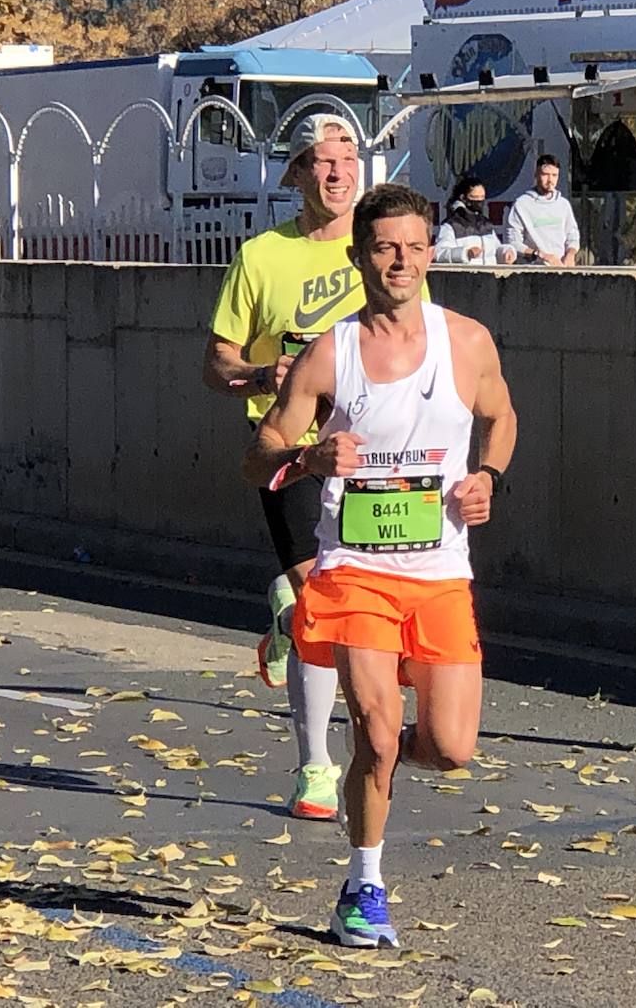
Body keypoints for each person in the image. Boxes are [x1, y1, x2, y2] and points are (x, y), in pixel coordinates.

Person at [241, 183, 517, 949]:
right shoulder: (331, 353)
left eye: (416, 247)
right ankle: (364, 885)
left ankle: (382, 759)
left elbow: (501, 416)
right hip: (354, 569)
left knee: (453, 748)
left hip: (440, 573)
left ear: (432, 252)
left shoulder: (466, 341)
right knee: (379, 730)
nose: (402, 261)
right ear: (361, 255)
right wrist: (308, 456)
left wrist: (488, 477)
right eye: (387, 247)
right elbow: (258, 452)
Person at [204, 113, 427, 823]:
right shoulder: (262, 257)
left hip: (375, 448)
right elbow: (216, 360)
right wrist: (260, 373)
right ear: (296, 174)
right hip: (293, 450)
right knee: (318, 606)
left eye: (347, 161)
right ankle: (316, 764)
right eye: (321, 164)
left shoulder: (380, 246)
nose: (337, 175)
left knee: (354, 610)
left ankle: (288, 613)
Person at [505, 154, 579, 266]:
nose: (550, 180)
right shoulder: (521, 204)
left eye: (554, 175)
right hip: (532, 271)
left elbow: (572, 235)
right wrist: (539, 254)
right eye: (545, 175)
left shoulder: (563, 204)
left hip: (560, 269)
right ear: (536, 174)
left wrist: (570, 254)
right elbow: (513, 242)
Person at [434, 175, 517, 265]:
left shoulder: (486, 224)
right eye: (475, 197)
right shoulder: (451, 225)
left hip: (490, 276)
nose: (479, 202)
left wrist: (506, 252)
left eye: (482, 198)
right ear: (464, 198)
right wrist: (465, 253)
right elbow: (439, 253)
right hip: (465, 277)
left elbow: (495, 249)